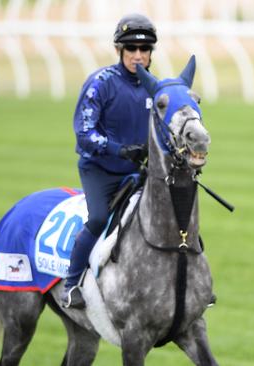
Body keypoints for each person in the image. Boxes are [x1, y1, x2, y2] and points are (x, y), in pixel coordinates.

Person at [61, 13, 156, 308]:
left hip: (137, 171)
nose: (138, 56)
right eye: (131, 50)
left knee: (175, 210)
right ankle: (71, 283)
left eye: (144, 50)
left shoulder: (156, 87)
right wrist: (121, 149)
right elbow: (84, 134)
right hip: (100, 170)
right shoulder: (100, 83)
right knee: (99, 219)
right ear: (119, 51)